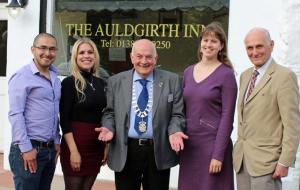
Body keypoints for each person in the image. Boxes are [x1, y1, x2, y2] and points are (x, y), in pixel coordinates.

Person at [95, 39, 188, 190]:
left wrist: (175, 131)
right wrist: (109, 127)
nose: (144, 61)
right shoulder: (115, 81)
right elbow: (109, 112)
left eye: (149, 57)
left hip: (158, 151)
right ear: (132, 58)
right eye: (139, 56)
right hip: (126, 151)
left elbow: (177, 114)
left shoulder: (172, 81)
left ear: (156, 59)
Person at [233, 27, 300, 190]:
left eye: (259, 46)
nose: (254, 52)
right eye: (250, 48)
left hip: (267, 164)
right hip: (242, 161)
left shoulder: (284, 77)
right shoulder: (245, 75)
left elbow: (292, 124)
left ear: (271, 45)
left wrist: (285, 161)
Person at [178, 22, 237, 190]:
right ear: (200, 43)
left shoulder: (226, 75)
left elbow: (227, 117)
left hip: (212, 147)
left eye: (214, 41)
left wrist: (218, 155)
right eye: (205, 40)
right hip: (190, 147)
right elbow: (181, 110)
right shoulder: (188, 72)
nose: (208, 45)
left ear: (221, 46)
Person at [8, 33, 61, 190]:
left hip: (49, 151)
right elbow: (15, 114)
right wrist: (26, 148)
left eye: (52, 49)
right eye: (42, 48)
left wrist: (57, 140)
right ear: (33, 50)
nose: (47, 53)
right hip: (29, 150)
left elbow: (53, 111)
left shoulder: (55, 77)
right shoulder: (22, 76)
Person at [59, 37, 107, 190]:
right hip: (76, 145)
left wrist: (107, 146)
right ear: (75, 57)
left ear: (95, 56)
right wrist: (73, 151)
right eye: (82, 53)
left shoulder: (101, 83)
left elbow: (105, 116)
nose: (86, 56)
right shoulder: (69, 82)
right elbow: (64, 120)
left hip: (96, 146)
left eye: (90, 52)